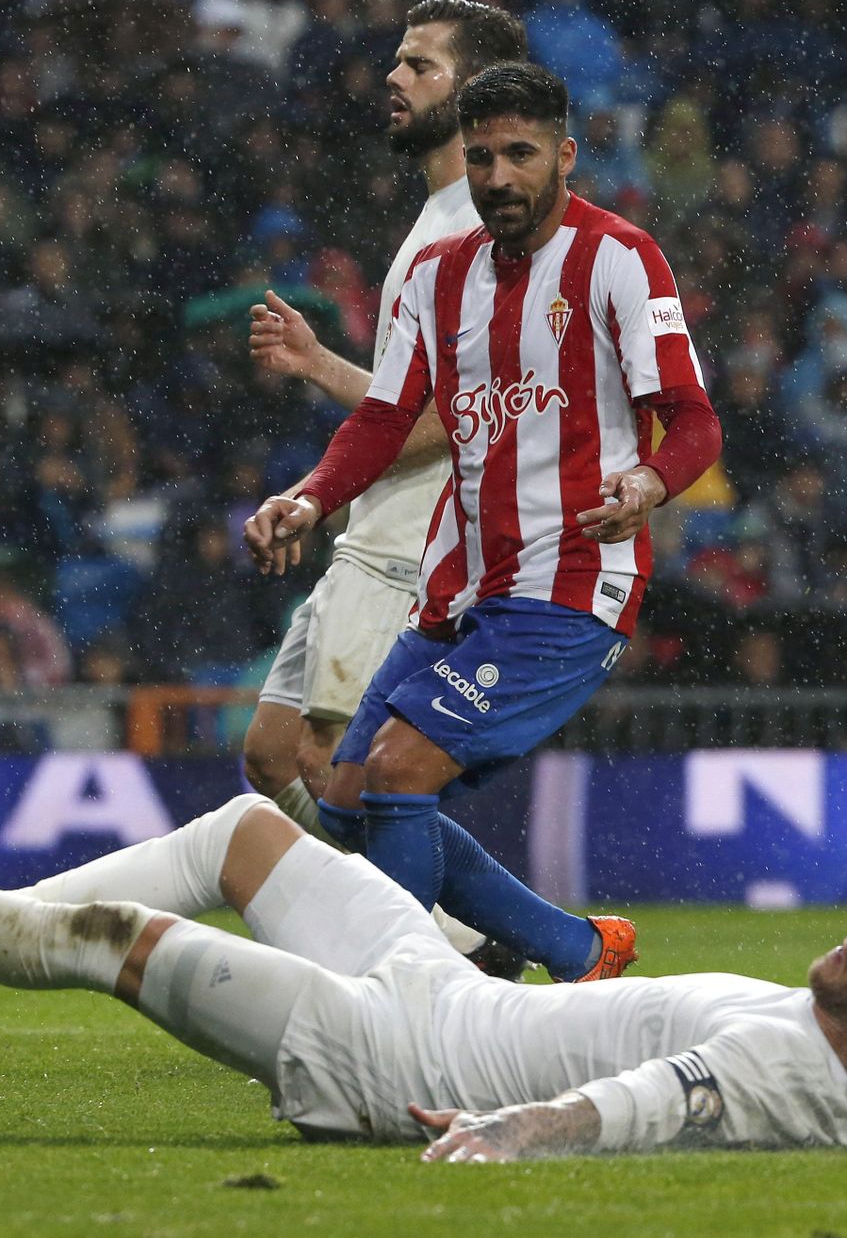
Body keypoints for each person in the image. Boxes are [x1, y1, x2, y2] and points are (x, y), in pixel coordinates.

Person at [0, 712, 847, 1157]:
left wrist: (519, 1130)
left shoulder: (795, 1065)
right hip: (438, 991)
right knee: (247, 829)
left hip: (397, 1060)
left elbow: (652, 1100)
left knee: (123, 938)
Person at [246, 63, 722, 982]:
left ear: (566, 156)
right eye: (481, 158)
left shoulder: (620, 259)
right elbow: (385, 419)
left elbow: (695, 420)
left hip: (570, 583)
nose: (498, 176)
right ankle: (578, 950)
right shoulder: (440, 274)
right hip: (458, 588)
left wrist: (650, 483)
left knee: (399, 769)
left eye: (520, 154)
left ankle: (406, 1008)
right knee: (346, 794)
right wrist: (308, 498)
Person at [240, 0, 528, 841]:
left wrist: (315, 493)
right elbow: (414, 404)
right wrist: (320, 365)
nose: (394, 78)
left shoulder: (479, 229)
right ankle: (421, 913)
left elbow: (461, 417)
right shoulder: (437, 215)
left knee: (335, 764)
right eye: (399, 60)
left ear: (476, 92)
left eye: (420, 66)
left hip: (413, 546)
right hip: (373, 532)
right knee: (273, 754)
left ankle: (439, 920)